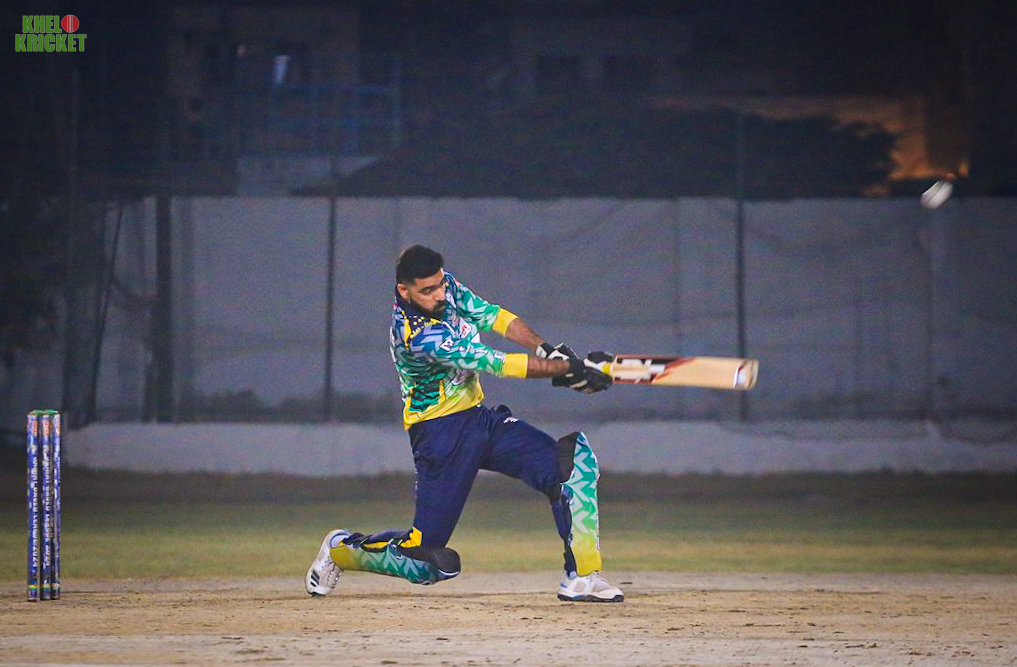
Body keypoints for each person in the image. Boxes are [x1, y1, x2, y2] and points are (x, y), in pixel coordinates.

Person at [305, 245, 624, 602]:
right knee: (424, 562)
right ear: (404, 291)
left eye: (440, 284)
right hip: (440, 435)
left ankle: (582, 577)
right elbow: (495, 362)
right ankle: (340, 549)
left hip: (481, 420)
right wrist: (569, 369)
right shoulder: (416, 334)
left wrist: (546, 350)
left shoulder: (446, 289)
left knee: (573, 466)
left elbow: (495, 317)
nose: (439, 295)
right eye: (428, 290)